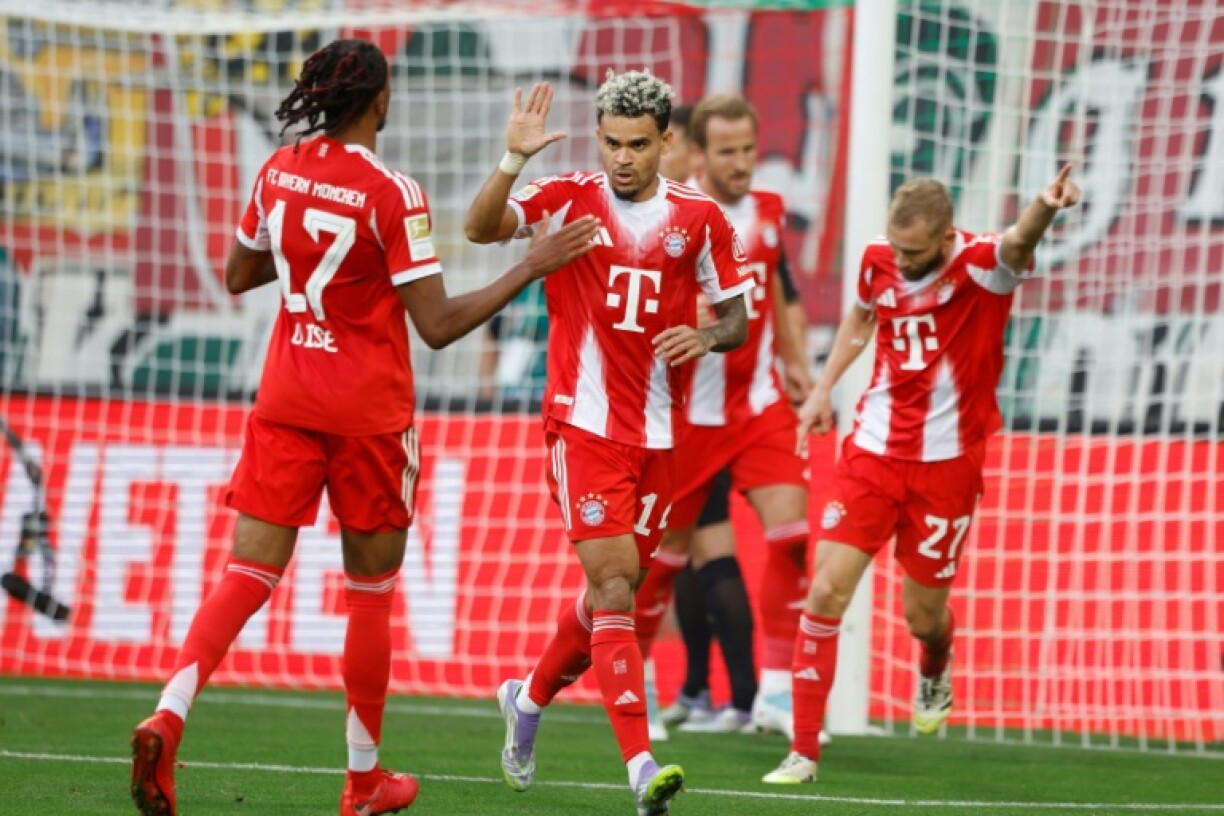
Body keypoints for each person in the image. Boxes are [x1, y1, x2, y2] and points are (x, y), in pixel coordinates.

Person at [128, 39, 599, 816]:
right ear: (381, 101)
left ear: (316, 97)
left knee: (246, 573)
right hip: (367, 415)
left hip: (285, 397)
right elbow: (440, 324)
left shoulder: (278, 171)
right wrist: (530, 264)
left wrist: (313, 244)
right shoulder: (391, 192)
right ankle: (362, 782)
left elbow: (240, 275)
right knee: (370, 596)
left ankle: (169, 712)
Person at [463, 71, 753, 815]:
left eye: (637, 145)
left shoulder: (702, 219)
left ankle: (527, 702)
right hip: (582, 424)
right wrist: (511, 161)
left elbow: (737, 319)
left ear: (666, 143)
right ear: (600, 137)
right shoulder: (568, 196)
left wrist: (707, 334)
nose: (622, 157)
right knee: (619, 585)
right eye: (611, 142)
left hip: (658, 434)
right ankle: (640, 766)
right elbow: (479, 228)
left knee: (606, 596)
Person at [763, 168, 1081, 784]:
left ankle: (935, 663)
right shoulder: (879, 259)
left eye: (915, 252)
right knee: (826, 590)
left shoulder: (983, 266)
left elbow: (1020, 242)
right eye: (896, 246)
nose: (901, 261)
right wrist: (824, 388)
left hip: (947, 469)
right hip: (873, 454)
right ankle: (803, 750)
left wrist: (1045, 206)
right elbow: (860, 319)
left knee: (923, 616)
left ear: (944, 240)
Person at [630, 94, 814, 738]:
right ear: (698, 153)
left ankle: (779, 694)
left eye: (748, 149)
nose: (742, 164)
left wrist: (797, 367)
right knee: (662, 561)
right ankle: (643, 683)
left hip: (759, 407)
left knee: (792, 541)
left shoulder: (767, 212)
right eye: (728, 152)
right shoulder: (675, 218)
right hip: (689, 416)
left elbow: (778, 292)